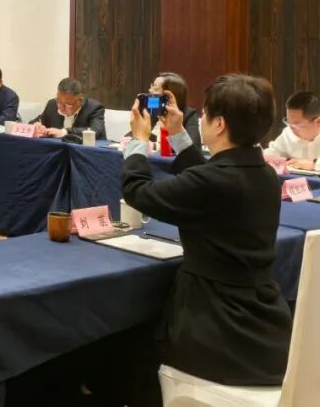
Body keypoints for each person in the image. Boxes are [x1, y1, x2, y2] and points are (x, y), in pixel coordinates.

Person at [121, 76, 292, 400]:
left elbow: (138, 191)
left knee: (121, 348)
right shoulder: (265, 175)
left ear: (220, 124)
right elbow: (208, 175)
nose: (200, 119)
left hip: (215, 330)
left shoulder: (213, 182)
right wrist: (177, 132)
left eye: (204, 114)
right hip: (264, 327)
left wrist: (138, 140)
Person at [30, 77, 105, 143]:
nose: (61, 107)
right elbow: (36, 121)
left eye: (68, 104)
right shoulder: (52, 104)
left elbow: (95, 131)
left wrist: (64, 132)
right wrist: (36, 126)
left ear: (80, 100)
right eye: (58, 101)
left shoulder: (94, 108)